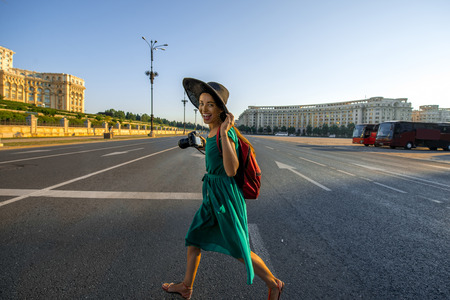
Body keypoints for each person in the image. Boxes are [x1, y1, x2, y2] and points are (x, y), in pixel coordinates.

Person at [162, 78, 284, 300]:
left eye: (210, 104)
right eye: (201, 103)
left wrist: (226, 131)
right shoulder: (212, 132)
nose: (203, 109)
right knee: (194, 238)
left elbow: (230, 170)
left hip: (225, 198)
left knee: (239, 250)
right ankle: (186, 287)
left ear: (221, 109)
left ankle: (274, 284)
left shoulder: (224, 133)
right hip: (212, 196)